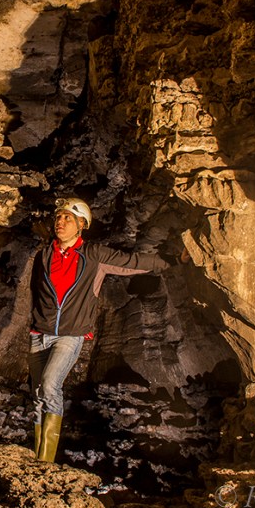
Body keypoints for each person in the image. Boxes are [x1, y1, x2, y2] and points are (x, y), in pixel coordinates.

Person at [28, 197, 178, 463]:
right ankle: (37, 454)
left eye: (68, 219)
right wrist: (35, 321)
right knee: (38, 392)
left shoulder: (94, 255)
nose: (60, 222)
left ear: (81, 225)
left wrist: (169, 260)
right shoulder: (44, 254)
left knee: (51, 384)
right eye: (58, 217)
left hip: (70, 335)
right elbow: (36, 290)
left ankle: (46, 460)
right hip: (39, 334)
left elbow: (132, 262)